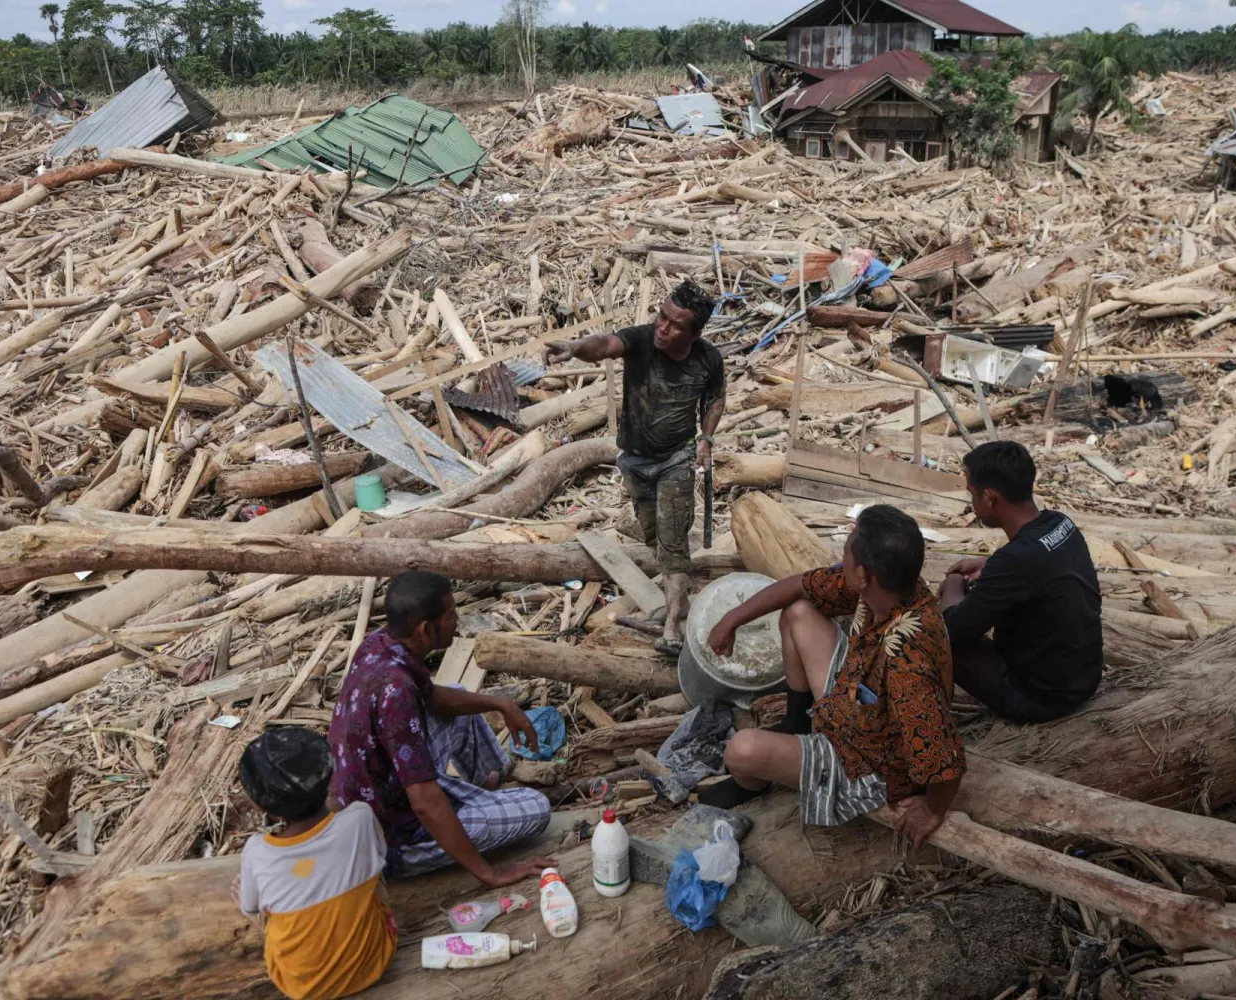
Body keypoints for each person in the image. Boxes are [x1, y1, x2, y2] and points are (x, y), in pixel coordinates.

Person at [697, 505, 965, 847]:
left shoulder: (907, 665)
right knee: (797, 613)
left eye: (846, 553)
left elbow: (945, 758)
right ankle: (798, 722)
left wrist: (932, 809)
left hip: (869, 761)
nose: (842, 559)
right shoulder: (892, 587)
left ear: (864, 574)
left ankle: (752, 781)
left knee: (740, 751)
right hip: (861, 698)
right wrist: (732, 618)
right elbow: (800, 586)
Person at [328, 571, 557, 886]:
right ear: (426, 629)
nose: (457, 622)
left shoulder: (378, 644)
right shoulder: (397, 691)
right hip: (391, 839)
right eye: (451, 616)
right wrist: (489, 873)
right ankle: (471, 811)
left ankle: (483, 791)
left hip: (381, 786)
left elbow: (434, 697)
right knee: (538, 808)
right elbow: (424, 801)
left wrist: (502, 704)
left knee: (457, 695)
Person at [545, 280, 725, 656]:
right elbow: (607, 344)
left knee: (673, 543)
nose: (663, 326)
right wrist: (577, 348)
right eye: (661, 315)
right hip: (634, 461)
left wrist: (705, 439)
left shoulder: (708, 359)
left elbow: (715, 398)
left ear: (694, 333)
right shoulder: (642, 340)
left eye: (675, 324)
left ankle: (673, 628)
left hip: (676, 459)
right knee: (654, 538)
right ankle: (679, 604)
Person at [940, 440, 1103, 723]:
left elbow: (952, 630)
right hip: (1084, 678)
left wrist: (954, 581)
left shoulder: (1015, 561)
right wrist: (990, 564)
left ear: (990, 498)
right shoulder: (1059, 523)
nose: (973, 504)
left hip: (1043, 699)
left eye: (973, 495)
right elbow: (1035, 561)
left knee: (933, 636)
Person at [235, 727, 397, 1000]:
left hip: (300, 987)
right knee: (374, 882)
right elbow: (379, 862)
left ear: (261, 807)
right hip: (375, 963)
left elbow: (249, 906)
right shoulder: (360, 818)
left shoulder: (256, 852)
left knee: (252, 908)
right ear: (327, 775)